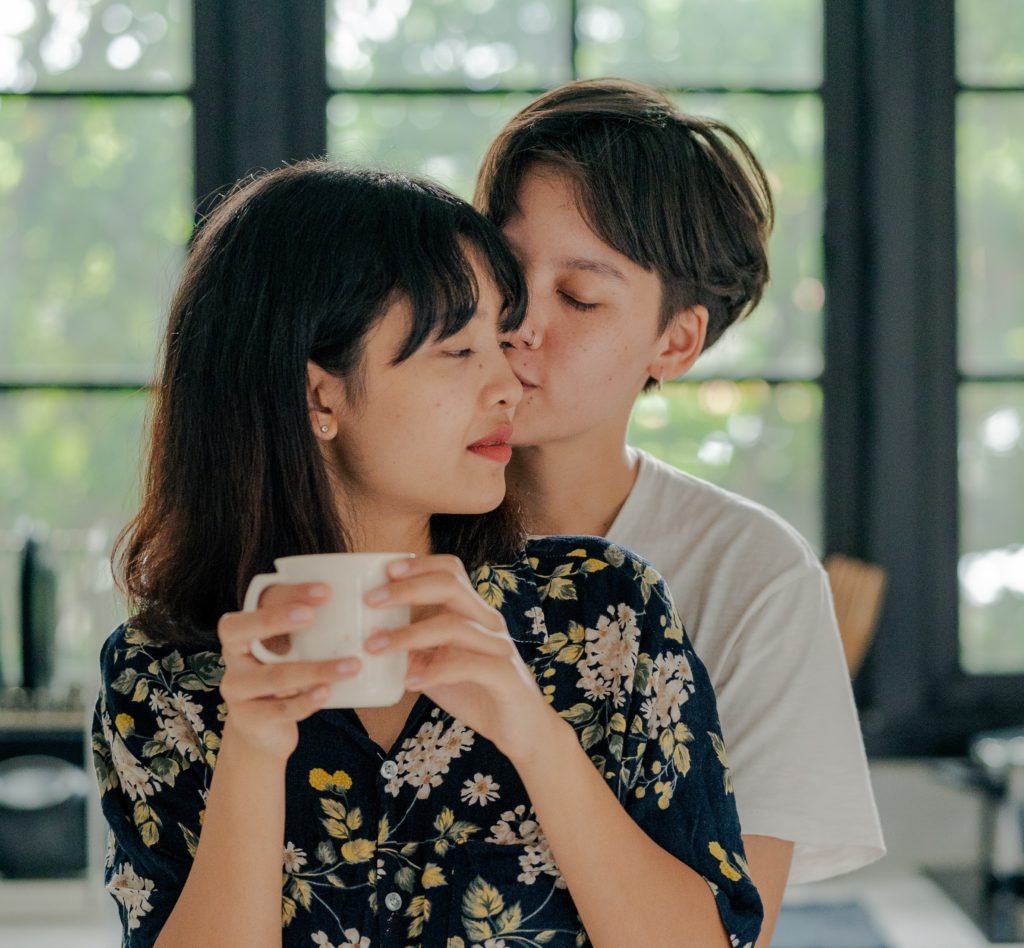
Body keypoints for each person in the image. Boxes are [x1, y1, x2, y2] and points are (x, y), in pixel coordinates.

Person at [91, 161, 763, 948]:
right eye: (459, 350)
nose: (511, 381)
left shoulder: (606, 613)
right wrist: (251, 753)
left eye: (499, 340)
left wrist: (532, 729)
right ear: (320, 395)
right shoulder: (164, 674)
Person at [475, 78, 886, 945]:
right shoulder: (377, 522)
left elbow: (736, 933)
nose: (520, 325)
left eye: (579, 298)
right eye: (504, 275)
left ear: (677, 341)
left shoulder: (753, 576)